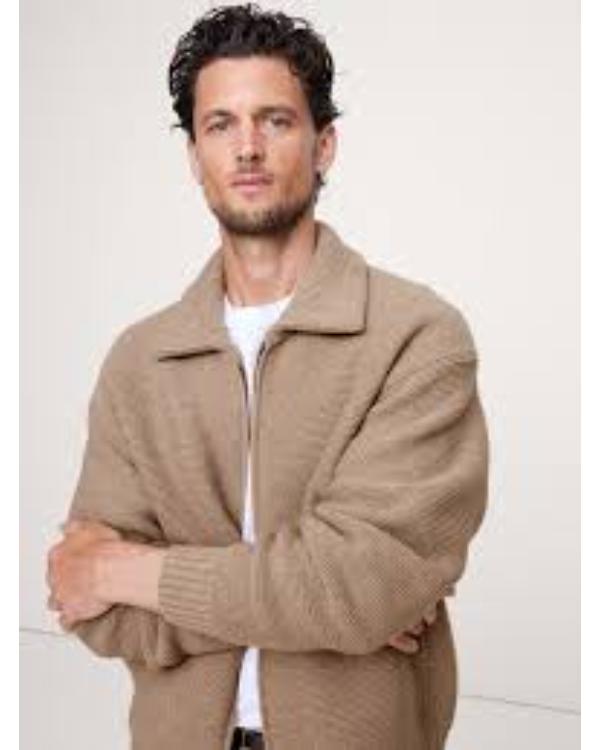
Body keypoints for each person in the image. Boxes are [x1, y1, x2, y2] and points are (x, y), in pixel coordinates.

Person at [45, 4, 489, 749]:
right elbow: (89, 603)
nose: (247, 147)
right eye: (220, 125)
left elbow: (357, 588)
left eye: (275, 121)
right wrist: (315, 608)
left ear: (324, 145)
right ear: (195, 156)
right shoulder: (140, 361)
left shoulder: (417, 339)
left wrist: (127, 571)